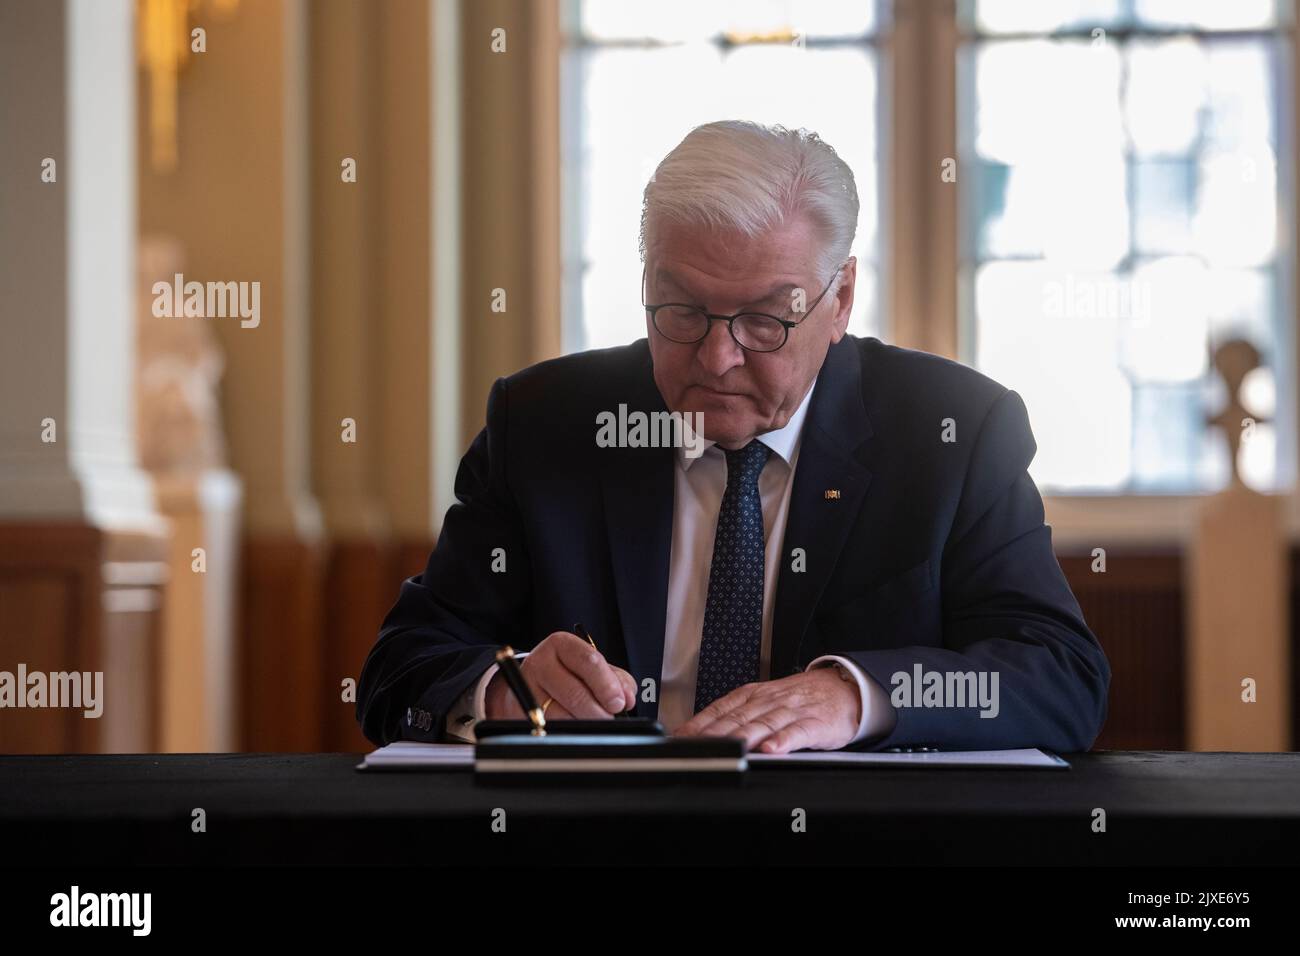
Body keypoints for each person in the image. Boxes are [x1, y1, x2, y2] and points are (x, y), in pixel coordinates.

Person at [357, 120, 1110, 754]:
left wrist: (854, 697)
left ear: (839, 297)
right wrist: (503, 689)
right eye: (680, 310)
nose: (717, 358)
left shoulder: (951, 432)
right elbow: (399, 670)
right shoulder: (546, 422)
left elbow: (1059, 677)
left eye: (763, 320)